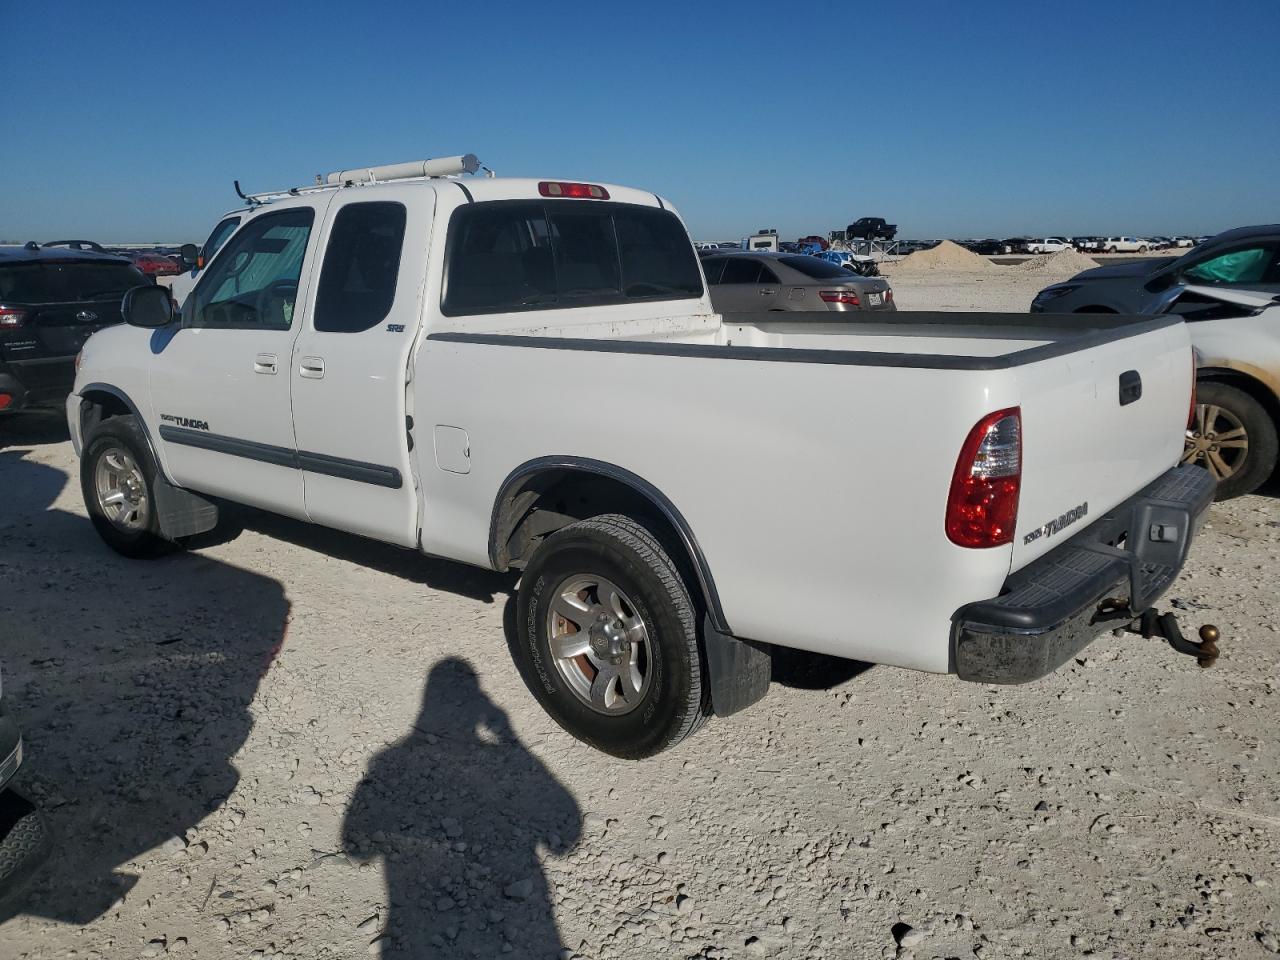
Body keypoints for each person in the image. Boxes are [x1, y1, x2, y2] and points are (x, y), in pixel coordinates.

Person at [344, 657, 581, 958]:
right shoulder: (499, 759)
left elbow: (355, 848)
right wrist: (512, 739)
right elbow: (566, 836)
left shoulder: (387, 762)